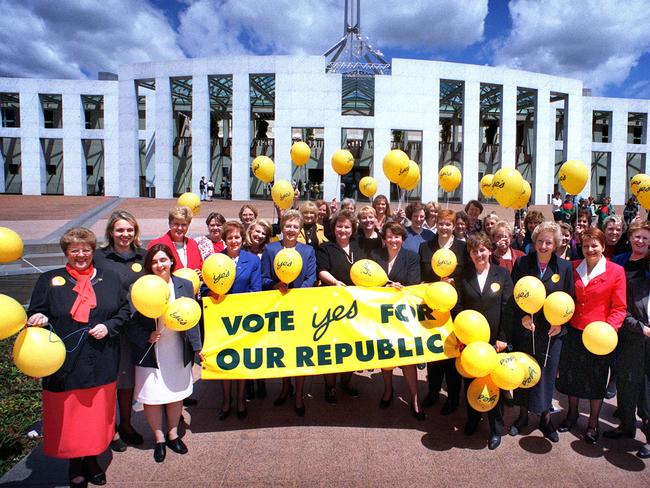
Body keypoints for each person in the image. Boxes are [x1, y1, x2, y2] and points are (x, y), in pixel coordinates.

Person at [27, 227, 130, 487]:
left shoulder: (110, 278)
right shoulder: (50, 280)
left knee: (96, 415)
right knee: (69, 417)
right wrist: (38, 318)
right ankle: (75, 461)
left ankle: (94, 458)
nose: (81, 255)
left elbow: (123, 311)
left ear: (93, 251)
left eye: (86, 249)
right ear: (66, 253)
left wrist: (109, 326)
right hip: (65, 363)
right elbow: (38, 311)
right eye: (75, 250)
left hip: (101, 358)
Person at [128, 244, 202, 463]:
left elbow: (193, 319)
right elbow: (130, 322)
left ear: (171, 261)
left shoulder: (185, 285)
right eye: (154, 261)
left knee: (175, 393)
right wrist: (145, 336)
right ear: (149, 265)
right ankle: (159, 439)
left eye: (163, 260)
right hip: (150, 350)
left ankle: (172, 434)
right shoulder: (139, 287)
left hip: (177, 347)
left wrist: (197, 348)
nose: (160, 265)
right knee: (152, 396)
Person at [556, 227, 627, 444]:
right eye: (586, 245)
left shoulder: (616, 271)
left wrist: (609, 330)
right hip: (574, 332)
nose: (590, 249)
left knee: (596, 379)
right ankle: (572, 413)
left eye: (595, 245)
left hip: (599, 337)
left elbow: (619, 308)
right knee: (571, 376)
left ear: (603, 247)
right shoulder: (573, 267)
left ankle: (593, 423)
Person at [510, 222, 575, 443]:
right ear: (534, 242)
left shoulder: (564, 268)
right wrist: (523, 316)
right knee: (524, 372)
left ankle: (546, 419)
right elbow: (514, 296)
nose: (544, 246)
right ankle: (522, 417)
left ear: (556, 244)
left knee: (546, 375)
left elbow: (570, 299)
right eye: (540, 241)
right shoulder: (522, 263)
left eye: (549, 242)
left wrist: (562, 324)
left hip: (551, 333)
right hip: (527, 330)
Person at [454, 232, 514, 450]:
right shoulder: (464, 275)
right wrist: (462, 338)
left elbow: (508, 308)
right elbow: (458, 307)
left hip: (495, 343)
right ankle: (472, 419)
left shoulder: (502, 274)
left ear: (489, 250)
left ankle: (495, 428)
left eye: (482, 250)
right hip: (471, 343)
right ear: (469, 254)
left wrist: (503, 338)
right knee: (470, 382)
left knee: (494, 385)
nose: (479, 254)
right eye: (474, 251)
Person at [94, 210, 146, 452]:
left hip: (133, 329)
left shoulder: (143, 257)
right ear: (111, 232)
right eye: (120, 230)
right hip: (104, 327)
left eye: (129, 230)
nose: (125, 234)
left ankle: (125, 425)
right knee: (105, 380)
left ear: (135, 232)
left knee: (126, 382)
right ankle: (106, 429)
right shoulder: (99, 257)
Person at [261, 210, 317, 416]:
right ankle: (285, 387)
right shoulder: (270, 249)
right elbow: (264, 277)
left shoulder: (308, 250)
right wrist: (275, 284)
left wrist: (298, 293)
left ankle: (299, 393)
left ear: (300, 229)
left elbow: (311, 277)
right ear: (282, 227)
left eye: (295, 226)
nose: (291, 230)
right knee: (284, 349)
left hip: (300, 306)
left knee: (300, 351)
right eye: (288, 225)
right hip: (279, 307)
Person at [371, 221, 424, 420]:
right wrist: (385, 287)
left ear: (402, 238)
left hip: (403, 316)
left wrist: (397, 287)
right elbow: (368, 283)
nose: (393, 240)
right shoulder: (376, 256)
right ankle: (388, 390)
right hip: (382, 315)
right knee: (386, 355)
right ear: (384, 239)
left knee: (407, 357)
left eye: (397, 236)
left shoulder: (411, 257)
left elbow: (413, 283)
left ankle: (415, 398)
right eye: (389, 237)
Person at [419, 209, 469, 413]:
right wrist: (435, 281)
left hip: (455, 308)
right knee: (434, 352)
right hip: (433, 307)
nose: (444, 227)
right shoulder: (425, 247)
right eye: (441, 223)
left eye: (448, 224)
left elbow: (467, 276)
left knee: (452, 352)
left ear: (454, 225)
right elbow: (420, 276)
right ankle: (432, 392)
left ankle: (453, 398)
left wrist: (453, 281)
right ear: (436, 224)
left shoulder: (463, 248)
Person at [213, 221, 262, 419]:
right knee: (226, 360)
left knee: (241, 360)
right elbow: (207, 288)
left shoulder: (252, 260)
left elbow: (256, 289)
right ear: (225, 240)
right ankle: (226, 399)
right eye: (230, 237)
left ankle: (241, 399)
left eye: (237, 237)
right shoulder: (215, 259)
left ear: (243, 239)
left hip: (244, 318)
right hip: (222, 319)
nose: (234, 241)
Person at [603, 261, 650, 458]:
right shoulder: (635, 285)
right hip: (632, 346)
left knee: (648, 395)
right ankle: (626, 426)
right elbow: (624, 312)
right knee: (627, 388)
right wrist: (642, 328)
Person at [316, 210, 362, 404]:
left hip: (355, 305)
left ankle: (346, 380)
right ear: (333, 228)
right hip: (332, 304)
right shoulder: (325, 248)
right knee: (332, 346)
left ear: (352, 230)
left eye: (347, 227)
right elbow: (321, 270)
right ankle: (330, 386)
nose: (343, 230)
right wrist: (335, 282)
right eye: (339, 226)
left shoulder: (359, 248)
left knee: (352, 344)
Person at [147, 207, 203, 273]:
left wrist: (199, 273)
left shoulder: (193, 244)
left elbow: (200, 266)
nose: (180, 228)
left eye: (184, 225)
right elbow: (149, 270)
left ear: (188, 225)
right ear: (170, 224)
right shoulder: (156, 244)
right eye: (176, 224)